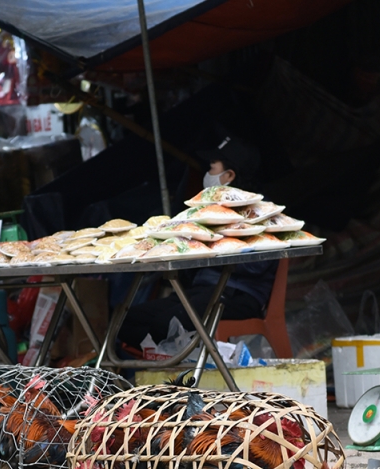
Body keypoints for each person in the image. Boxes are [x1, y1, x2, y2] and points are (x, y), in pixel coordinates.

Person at [118, 134, 279, 350]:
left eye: (212, 167)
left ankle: (178, 362)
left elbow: (256, 264)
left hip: (237, 295)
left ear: (228, 175)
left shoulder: (261, 211)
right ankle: (167, 355)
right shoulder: (209, 209)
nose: (207, 173)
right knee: (125, 321)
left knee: (164, 325)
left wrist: (213, 241)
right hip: (201, 290)